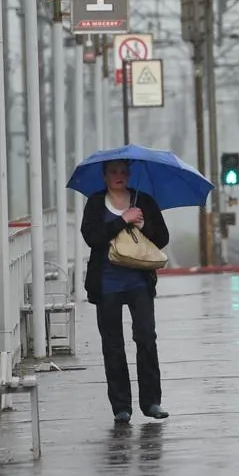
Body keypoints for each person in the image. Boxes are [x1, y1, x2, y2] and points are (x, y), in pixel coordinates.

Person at [82, 159, 172, 424]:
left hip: (138, 282)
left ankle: (152, 402)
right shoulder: (96, 203)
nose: (119, 176)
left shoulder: (143, 200)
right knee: (113, 345)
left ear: (130, 174)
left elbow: (162, 238)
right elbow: (92, 237)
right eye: (113, 171)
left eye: (123, 171)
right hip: (107, 282)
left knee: (146, 338)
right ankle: (121, 407)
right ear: (104, 175)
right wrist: (123, 220)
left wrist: (143, 226)